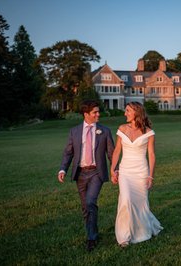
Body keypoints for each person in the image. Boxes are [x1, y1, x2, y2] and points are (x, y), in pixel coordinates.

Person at [57, 99, 115, 252]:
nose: (98, 114)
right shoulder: (74, 131)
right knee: (85, 207)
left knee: (90, 201)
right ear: (86, 114)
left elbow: (111, 153)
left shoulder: (105, 131)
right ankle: (92, 232)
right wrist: (63, 169)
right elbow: (68, 153)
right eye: (95, 112)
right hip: (80, 173)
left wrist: (115, 169)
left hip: (97, 171)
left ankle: (92, 238)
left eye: (98, 111)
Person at [111, 101, 163, 247]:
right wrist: (112, 169)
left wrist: (150, 176)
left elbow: (151, 155)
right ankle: (124, 237)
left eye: (128, 111)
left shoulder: (148, 132)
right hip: (125, 171)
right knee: (126, 200)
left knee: (140, 204)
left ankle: (143, 230)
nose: (125, 113)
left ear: (136, 112)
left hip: (141, 171)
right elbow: (116, 151)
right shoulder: (121, 128)